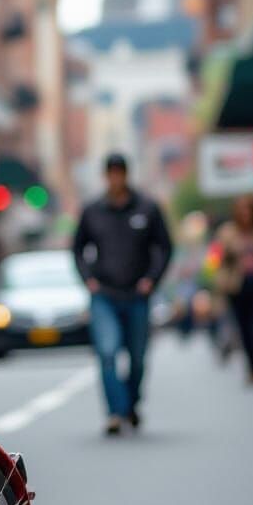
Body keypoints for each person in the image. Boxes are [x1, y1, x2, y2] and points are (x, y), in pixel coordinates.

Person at [73, 153, 173, 435]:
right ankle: (116, 413)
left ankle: (131, 404)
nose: (115, 178)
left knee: (138, 357)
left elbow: (164, 247)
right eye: (111, 173)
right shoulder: (92, 210)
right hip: (104, 294)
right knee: (107, 352)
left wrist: (151, 280)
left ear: (126, 175)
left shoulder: (147, 208)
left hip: (137, 295)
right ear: (106, 176)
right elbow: (78, 248)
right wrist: (88, 279)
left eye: (120, 172)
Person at [214, 194, 253, 385]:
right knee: (243, 328)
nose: (245, 214)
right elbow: (217, 260)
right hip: (236, 286)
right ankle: (251, 366)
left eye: (248, 210)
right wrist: (220, 279)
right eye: (241, 210)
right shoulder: (227, 233)